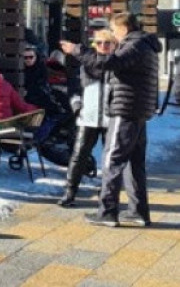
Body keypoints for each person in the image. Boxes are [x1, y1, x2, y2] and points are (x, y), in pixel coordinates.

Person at [62, 12, 161, 228]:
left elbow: (110, 63)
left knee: (112, 160)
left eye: (114, 31)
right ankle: (138, 212)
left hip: (125, 110)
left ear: (123, 27)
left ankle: (107, 212)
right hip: (136, 111)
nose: (114, 36)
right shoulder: (145, 45)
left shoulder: (134, 45)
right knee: (134, 163)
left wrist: (77, 50)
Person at [58, 29, 116, 207]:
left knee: (111, 158)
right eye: (99, 43)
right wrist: (77, 108)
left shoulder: (118, 64)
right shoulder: (85, 64)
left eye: (107, 43)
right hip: (88, 116)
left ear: (114, 45)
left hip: (111, 117)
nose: (103, 46)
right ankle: (69, 192)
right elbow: (75, 88)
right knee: (78, 155)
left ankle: (106, 193)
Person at [22, 45, 59, 117]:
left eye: (31, 57)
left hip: (39, 98)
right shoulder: (21, 70)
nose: (28, 59)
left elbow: (42, 84)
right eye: (25, 58)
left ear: (36, 57)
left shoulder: (41, 68)